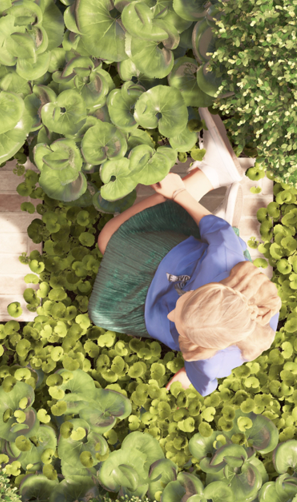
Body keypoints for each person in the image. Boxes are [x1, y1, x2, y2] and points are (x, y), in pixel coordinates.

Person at [88, 108, 283, 396]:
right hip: (177, 260)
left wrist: (187, 375)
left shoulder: (212, 360)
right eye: (184, 304)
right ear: (206, 289)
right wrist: (177, 192)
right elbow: (216, 229)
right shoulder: (225, 258)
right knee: (108, 239)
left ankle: (213, 175)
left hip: (161, 300)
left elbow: (204, 378)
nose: (171, 316)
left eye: (180, 325)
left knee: (100, 313)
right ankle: (211, 174)